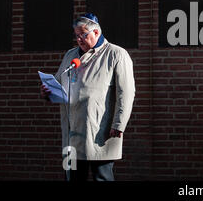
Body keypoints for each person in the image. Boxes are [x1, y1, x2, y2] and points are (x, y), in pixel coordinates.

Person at [40, 13, 135, 181]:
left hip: (100, 130)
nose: (79, 40)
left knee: (102, 178)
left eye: (83, 35)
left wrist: (118, 124)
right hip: (72, 133)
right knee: (73, 178)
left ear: (96, 32)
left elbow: (126, 92)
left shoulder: (116, 54)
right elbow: (57, 81)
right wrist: (48, 91)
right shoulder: (70, 55)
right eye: (76, 35)